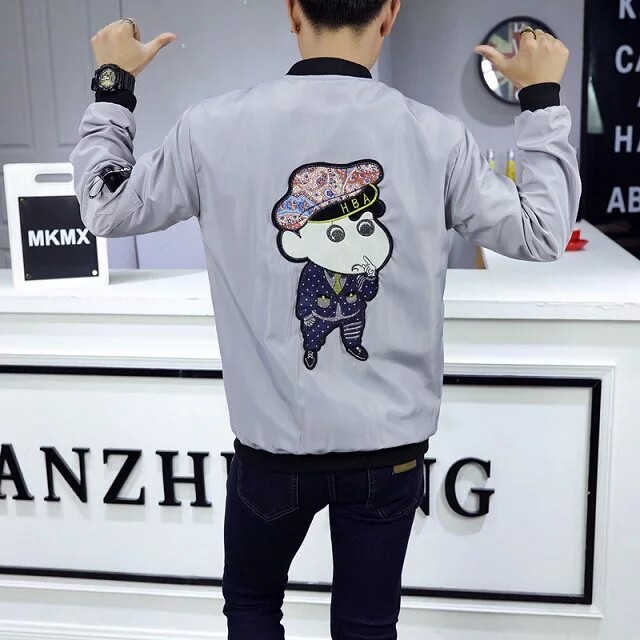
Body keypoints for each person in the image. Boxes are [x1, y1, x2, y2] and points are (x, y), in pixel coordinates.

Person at [70, 1, 580, 638]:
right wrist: (540, 97)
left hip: (273, 448)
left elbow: (105, 206)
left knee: (252, 608)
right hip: (388, 453)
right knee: (367, 626)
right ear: (390, 13)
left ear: (292, 11)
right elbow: (541, 231)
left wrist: (114, 85)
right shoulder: (435, 136)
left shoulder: (212, 127)